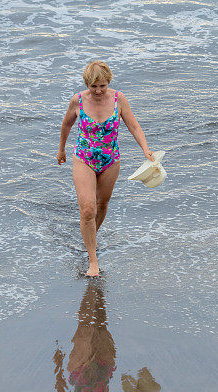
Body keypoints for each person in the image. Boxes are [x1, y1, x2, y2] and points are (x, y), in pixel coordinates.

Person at [57, 60, 155, 277]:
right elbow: (66, 125)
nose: (99, 90)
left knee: (101, 205)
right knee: (88, 209)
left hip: (111, 159)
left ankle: (89, 237)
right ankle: (93, 261)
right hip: (84, 158)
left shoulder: (119, 99)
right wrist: (61, 150)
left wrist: (146, 150)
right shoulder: (78, 100)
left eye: (102, 85)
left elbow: (133, 125)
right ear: (87, 84)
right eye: (94, 86)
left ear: (108, 82)